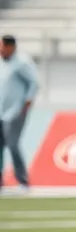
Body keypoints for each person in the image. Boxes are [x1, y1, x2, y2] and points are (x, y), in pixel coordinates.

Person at [0, 36, 37, 192]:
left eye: (2, 46)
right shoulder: (3, 63)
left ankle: (23, 180)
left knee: (13, 144)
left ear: (10, 47)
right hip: (1, 111)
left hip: (15, 111)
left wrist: (27, 101)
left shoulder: (22, 62)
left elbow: (34, 82)